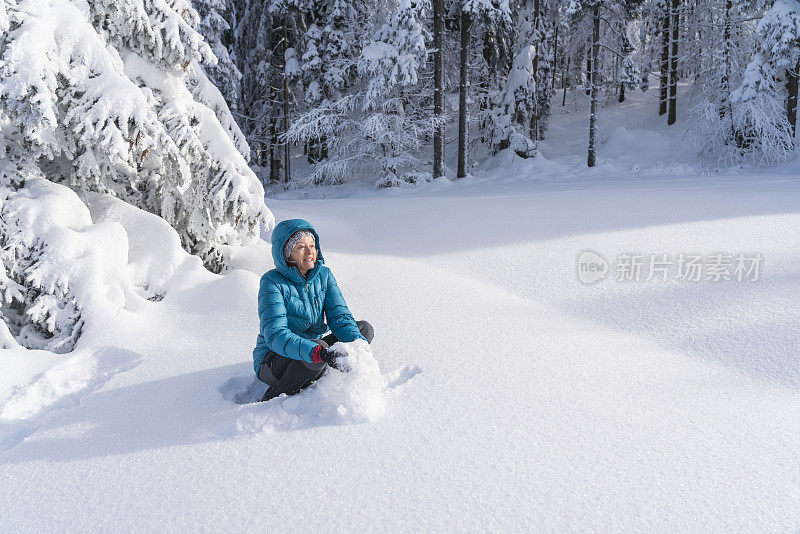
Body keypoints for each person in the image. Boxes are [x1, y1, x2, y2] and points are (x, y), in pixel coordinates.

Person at [253, 218, 374, 402]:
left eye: (312, 245)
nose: (310, 252)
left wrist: (358, 347)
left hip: (313, 351)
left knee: (363, 330)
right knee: (319, 350)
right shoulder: (272, 283)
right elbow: (276, 335)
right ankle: (275, 395)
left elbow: (340, 316)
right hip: (273, 359)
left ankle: (317, 368)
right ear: (286, 253)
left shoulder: (324, 276)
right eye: (301, 247)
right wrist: (319, 353)